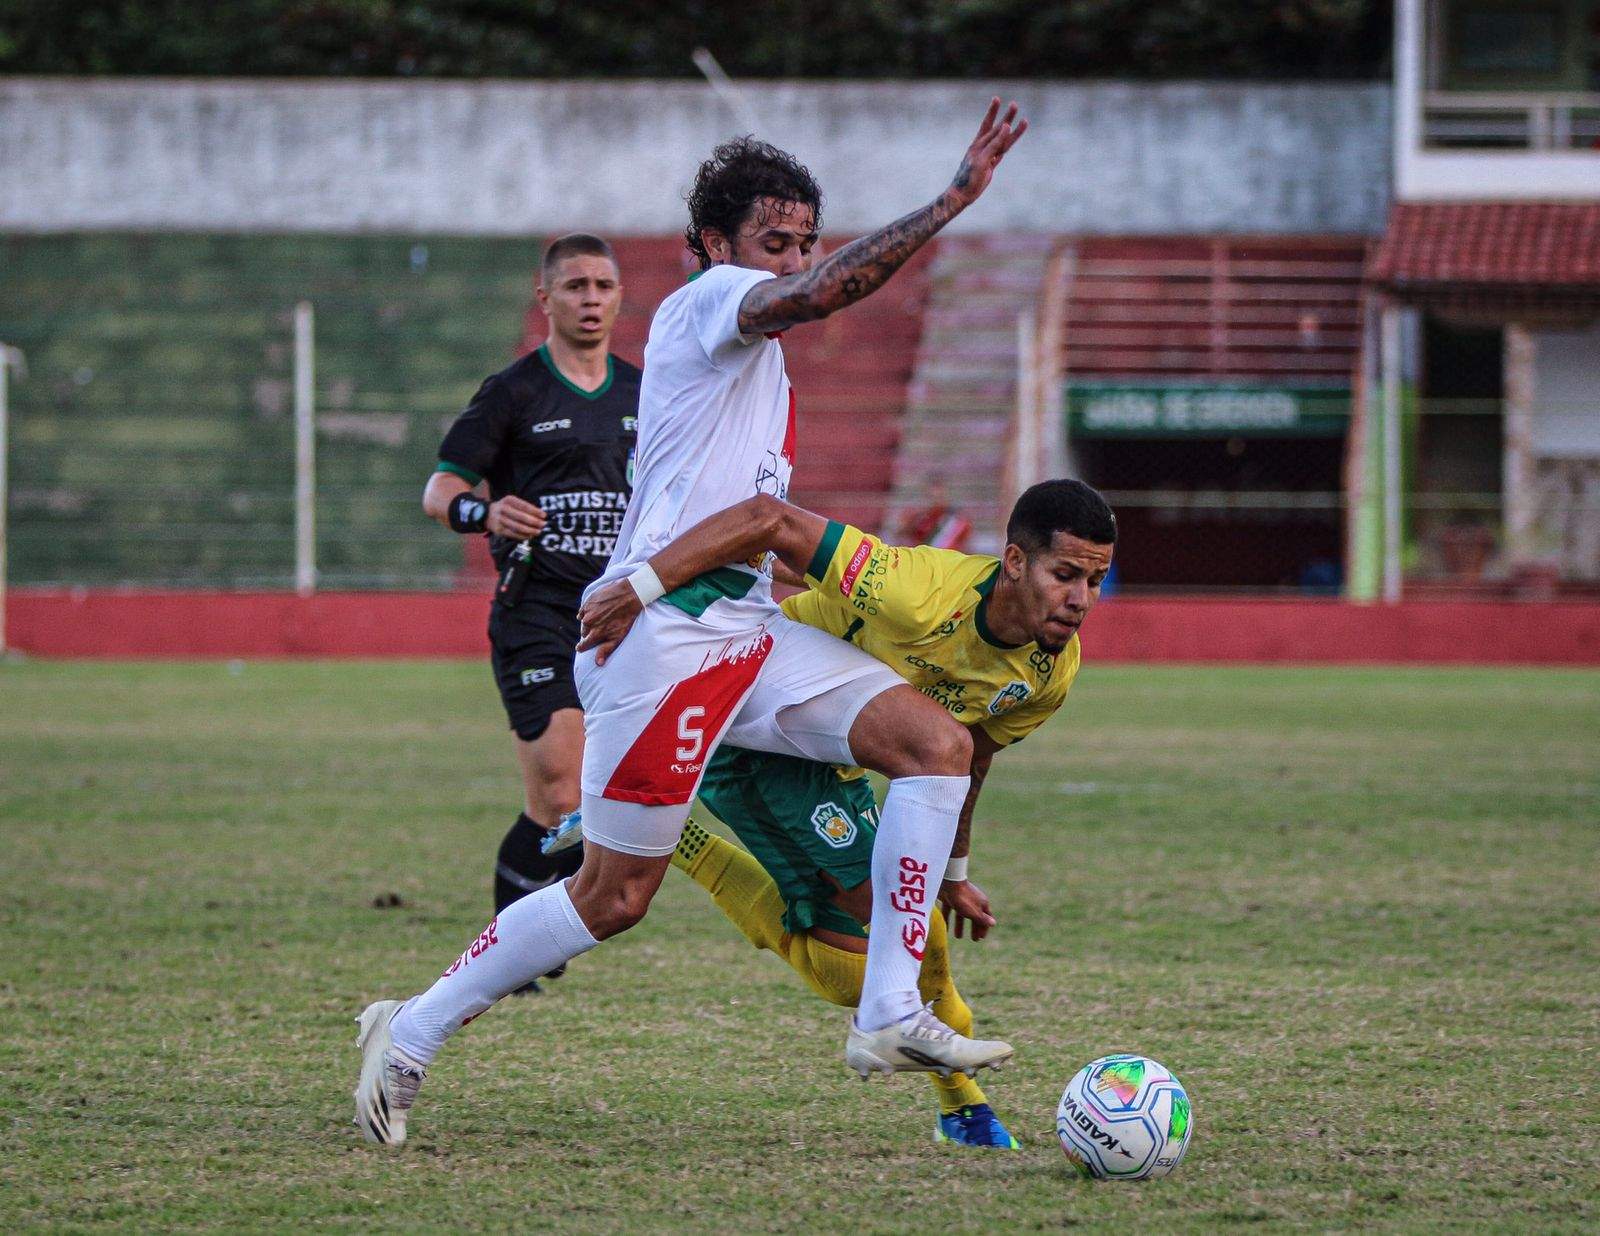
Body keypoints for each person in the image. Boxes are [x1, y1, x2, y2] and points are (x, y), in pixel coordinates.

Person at [354, 99, 1027, 1146]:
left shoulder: (746, 336)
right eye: (774, 241)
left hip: (745, 629)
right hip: (662, 638)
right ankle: (409, 1030)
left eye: (802, 239)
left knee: (934, 747)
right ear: (713, 246)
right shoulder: (709, 302)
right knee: (613, 898)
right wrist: (950, 201)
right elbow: (824, 292)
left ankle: (890, 1014)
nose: (793, 259)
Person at [575, 479, 1117, 1149]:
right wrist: (642, 590)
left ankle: (959, 1107)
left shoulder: (1049, 671)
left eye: (1095, 581)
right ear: (1013, 562)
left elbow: (967, 761)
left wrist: (953, 868)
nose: (1080, 601)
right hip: (753, 733)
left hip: (831, 752)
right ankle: (680, 843)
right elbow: (769, 521)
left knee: (916, 929)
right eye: (1065, 575)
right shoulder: (914, 588)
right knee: (852, 967)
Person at [421, 233, 639, 986]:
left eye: (603, 286)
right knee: (557, 791)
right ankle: (508, 947)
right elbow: (439, 492)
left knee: (594, 806)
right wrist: (486, 516)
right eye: (574, 286)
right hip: (538, 612)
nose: (590, 299)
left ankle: (534, 932)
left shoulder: (646, 395)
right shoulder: (513, 392)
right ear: (545, 299)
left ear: (619, 297)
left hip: (626, 620)